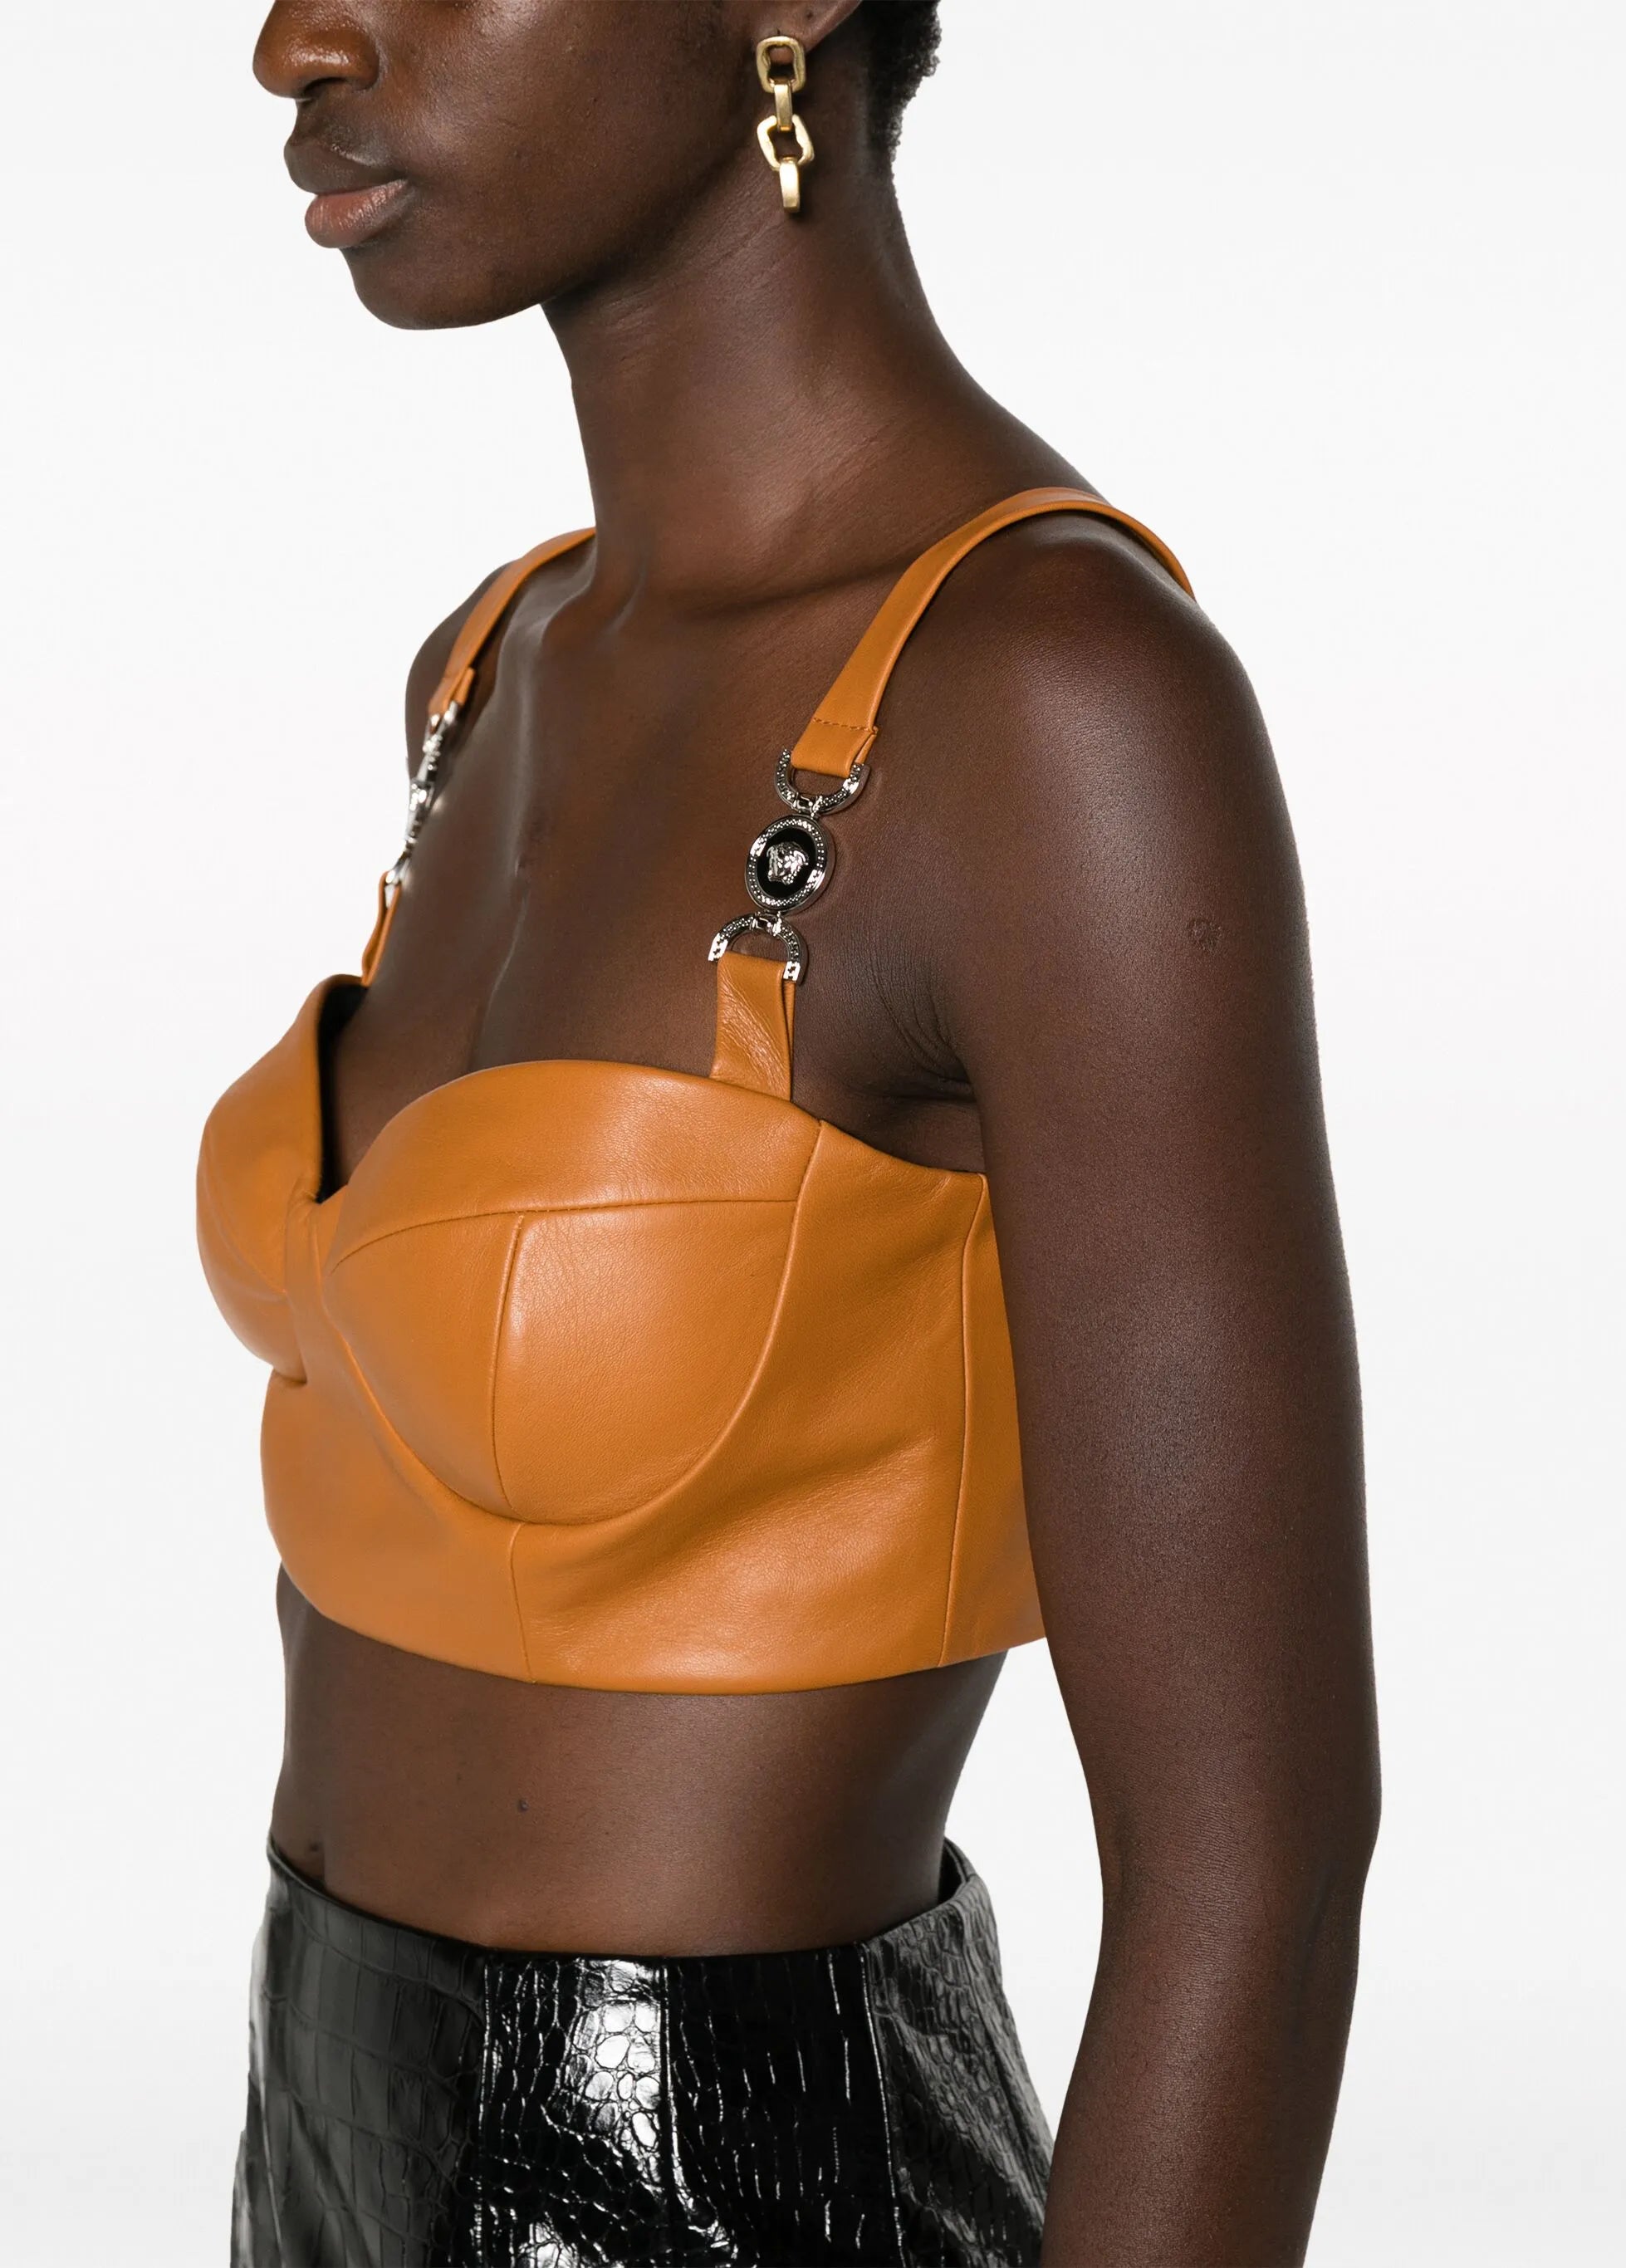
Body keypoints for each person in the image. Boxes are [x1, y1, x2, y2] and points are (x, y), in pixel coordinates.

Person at [201, 3, 1379, 2261]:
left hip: (747, 2192)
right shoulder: (493, 665)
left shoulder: (1055, 706)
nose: (295, 39)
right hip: (310, 2137)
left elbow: (1255, 1854)